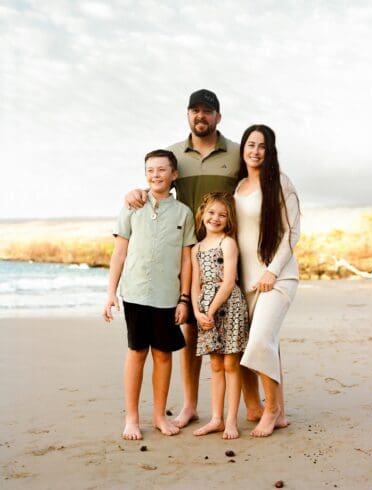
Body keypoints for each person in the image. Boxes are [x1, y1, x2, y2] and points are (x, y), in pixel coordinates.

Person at [126, 89, 262, 428]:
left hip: (231, 251)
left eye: (207, 111)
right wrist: (137, 192)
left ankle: (253, 404)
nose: (200, 116)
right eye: (194, 111)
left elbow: (256, 184)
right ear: (188, 115)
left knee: (239, 327)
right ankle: (190, 405)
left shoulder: (235, 152)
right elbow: (157, 184)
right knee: (190, 329)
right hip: (189, 254)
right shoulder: (173, 155)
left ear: (218, 116)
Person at [103, 149, 197, 440]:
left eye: (161, 170)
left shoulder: (184, 213)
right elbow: (119, 252)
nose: (155, 175)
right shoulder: (133, 206)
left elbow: (186, 259)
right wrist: (110, 293)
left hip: (167, 296)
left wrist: (184, 298)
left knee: (163, 355)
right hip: (134, 292)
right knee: (136, 353)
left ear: (174, 175)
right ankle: (132, 418)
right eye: (150, 170)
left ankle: (159, 416)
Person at [234, 124, 301, 437]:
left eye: (262, 146)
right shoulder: (238, 186)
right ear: (243, 148)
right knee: (257, 344)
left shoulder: (280, 183)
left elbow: (293, 232)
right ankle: (272, 408)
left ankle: (271, 409)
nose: (255, 151)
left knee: (260, 339)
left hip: (277, 279)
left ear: (269, 151)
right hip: (244, 282)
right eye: (250, 144)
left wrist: (272, 270)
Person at [191, 192, 249, 439]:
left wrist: (211, 310)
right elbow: (195, 284)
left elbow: (228, 282)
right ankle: (216, 418)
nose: (215, 218)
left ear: (228, 220)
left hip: (229, 305)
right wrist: (197, 312)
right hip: (205, 309)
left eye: (222, 215)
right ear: (203, 213)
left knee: (230, 363)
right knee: (215, 364)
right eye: (211, 212)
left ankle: (232, 421)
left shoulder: (228, 243)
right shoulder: (196, 248)